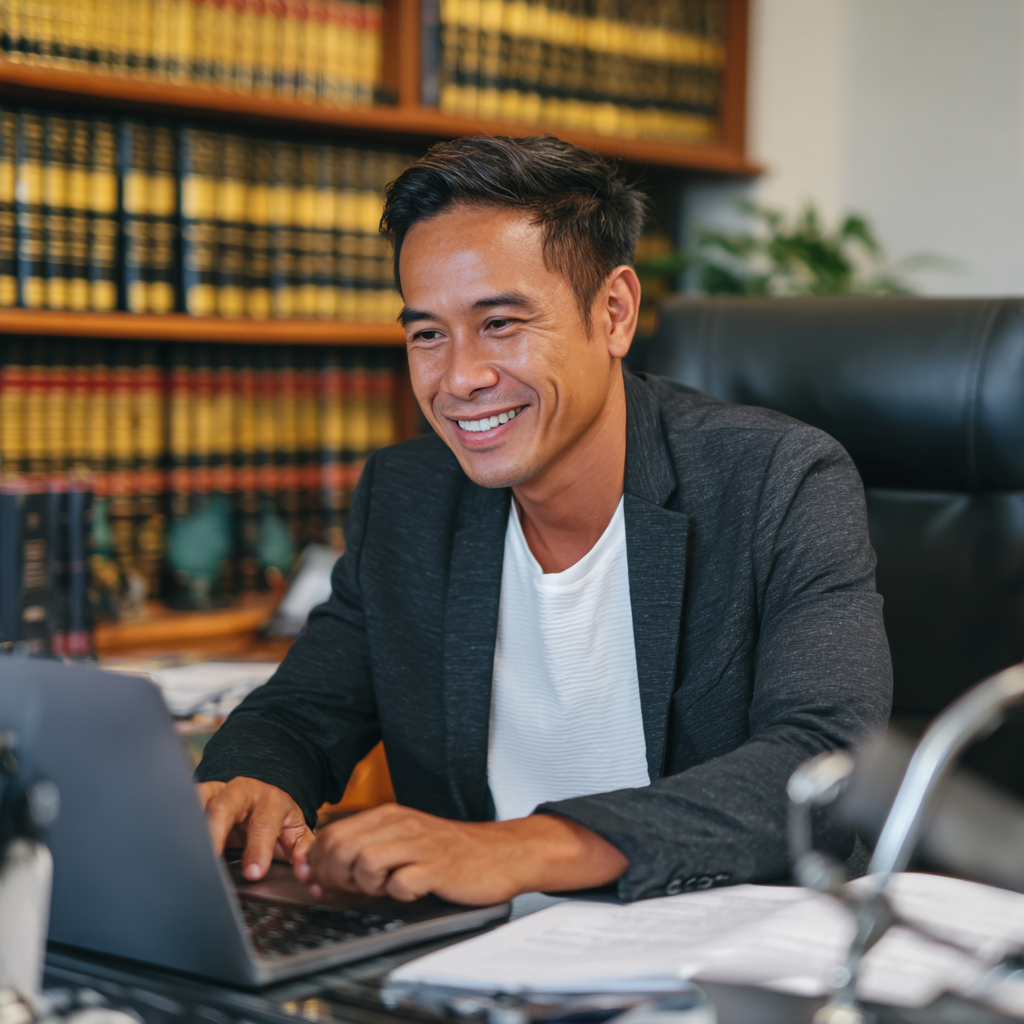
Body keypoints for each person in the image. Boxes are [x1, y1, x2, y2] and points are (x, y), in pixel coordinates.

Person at [195, 136, 891, 906]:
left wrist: (519, 849)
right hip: (477, 967)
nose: (459, 378)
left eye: (500, 323)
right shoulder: (408, 496)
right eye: (427, 333)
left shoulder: (776, 482)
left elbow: (826, 767)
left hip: (723, 963)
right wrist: (251, 780)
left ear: (615, 313)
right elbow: (303, 709)